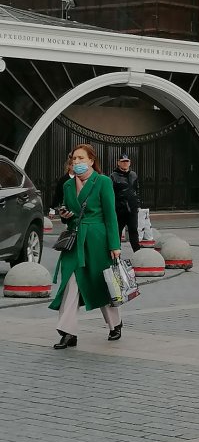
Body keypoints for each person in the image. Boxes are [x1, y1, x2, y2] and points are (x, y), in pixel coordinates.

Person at [49, 143, 123, 349]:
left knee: (100, 283)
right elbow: (68, 214)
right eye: (74, 159)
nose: (77, 162)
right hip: (75, 240)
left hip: (97, 240)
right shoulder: (67, 185)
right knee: (71, 283)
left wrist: (114, 244)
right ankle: (68, 332)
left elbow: (110, 215)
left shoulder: (103, 182)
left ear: (91, 160)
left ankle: (115, 323)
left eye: (81, 158)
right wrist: (66, 216)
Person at [110, 153, 141, 253]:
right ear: (118, 163)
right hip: (119, 210)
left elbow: (137, 190)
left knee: (133, 231)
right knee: (117, 232)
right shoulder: (113, 176)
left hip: (132, 209)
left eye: (127, 161)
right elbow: (110, 193)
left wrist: (137, 204)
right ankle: (116, 256)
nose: (125, 164)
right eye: (123, 162)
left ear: (130, 162)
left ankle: (137, 253)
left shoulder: (133, 175)